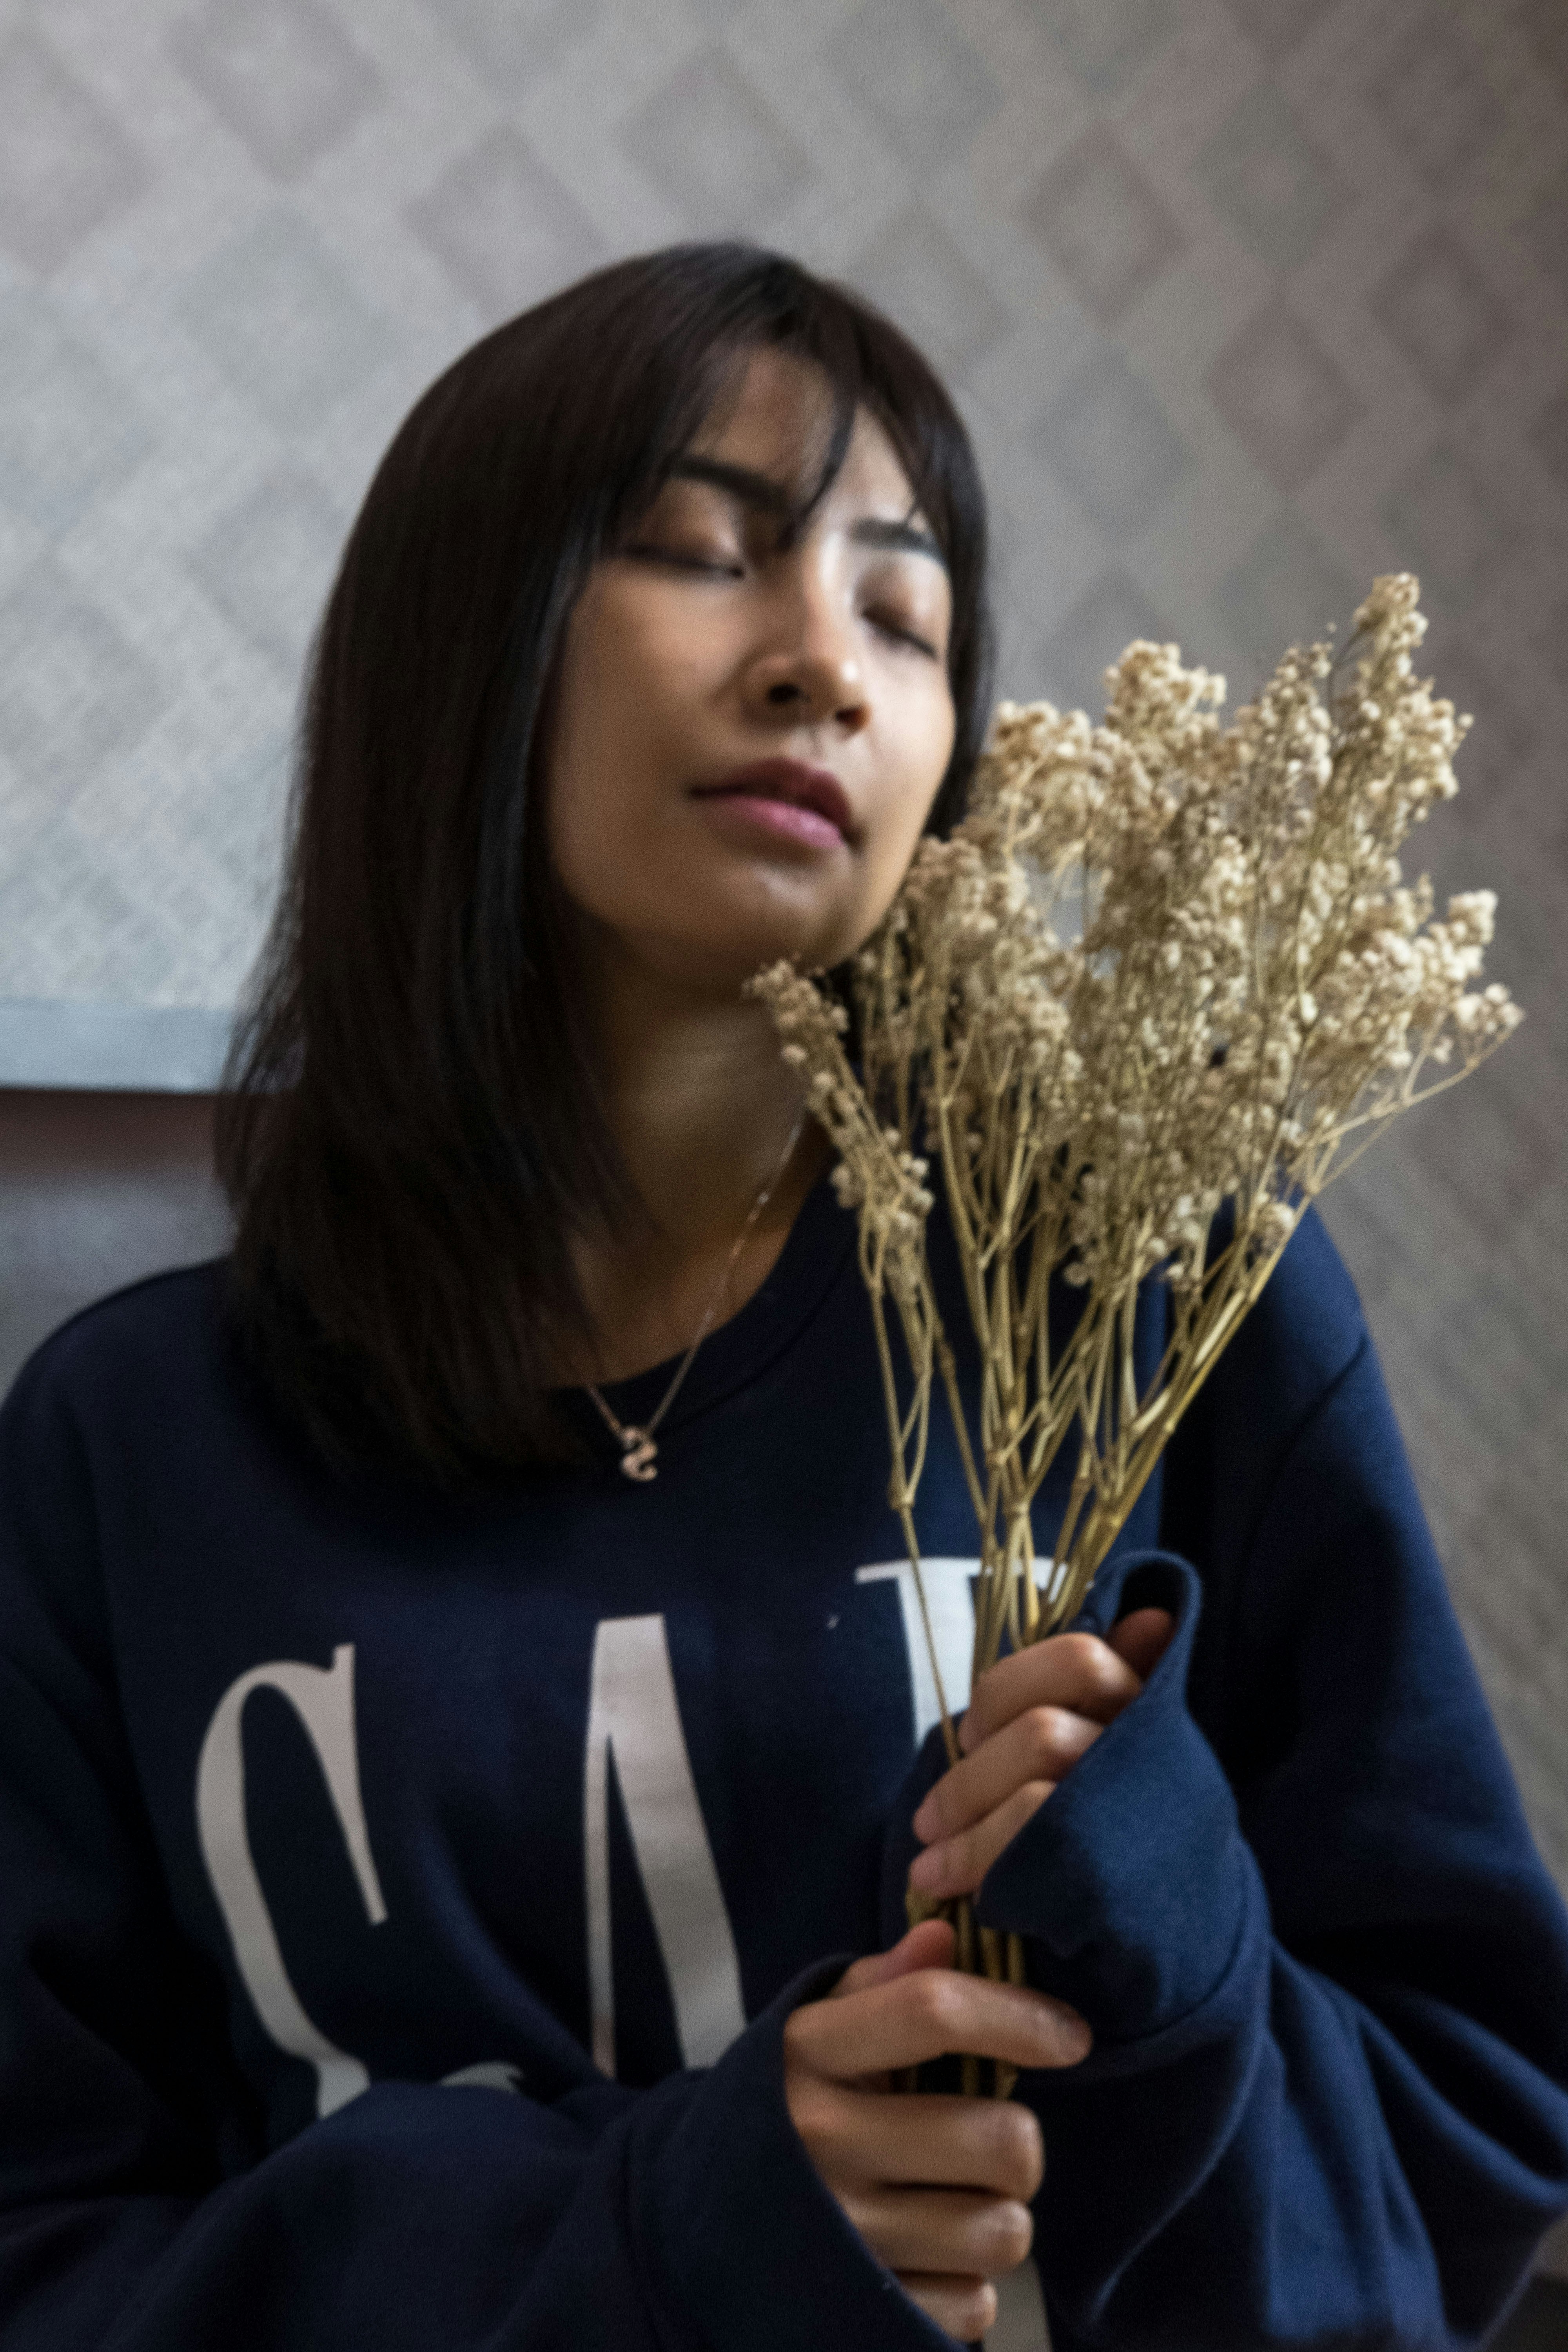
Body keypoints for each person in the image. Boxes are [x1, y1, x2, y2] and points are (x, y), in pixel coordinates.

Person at [0, 243, 1564, 2352]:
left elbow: (1478, 2150)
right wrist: (676, 2232)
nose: (824, 661)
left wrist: (1172, 1940)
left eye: (906, 613)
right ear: (461, 649)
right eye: (697, 553)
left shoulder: (1159, 1293)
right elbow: (47, 2256)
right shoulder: (132, 1449)